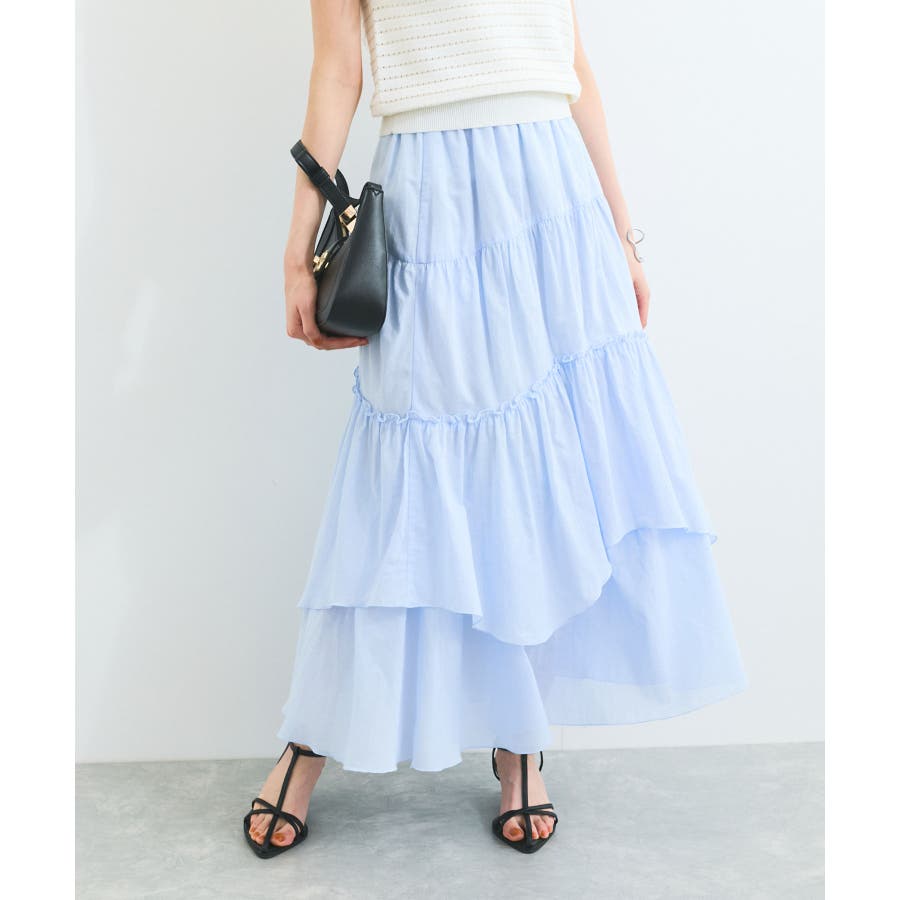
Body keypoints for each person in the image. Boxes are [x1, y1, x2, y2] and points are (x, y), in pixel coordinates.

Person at [243, 0, 746, 858]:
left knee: (543, 475)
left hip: (552, 193)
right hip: (430, 193)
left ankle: (520, 737)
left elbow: (571, 62)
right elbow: (338, 70)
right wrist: (300, 250)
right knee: (404, 471)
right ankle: (310, 732)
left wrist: (622, 234)